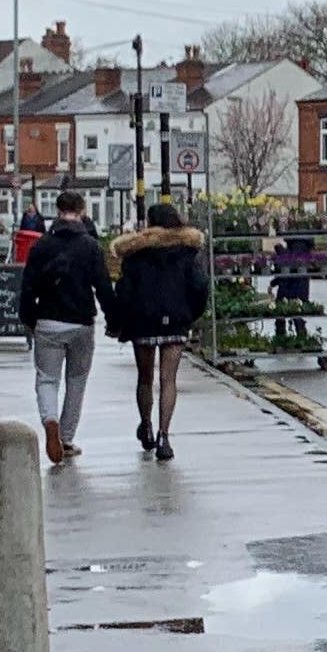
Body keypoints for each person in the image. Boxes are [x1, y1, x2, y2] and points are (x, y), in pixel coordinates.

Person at [108, 199, 213, 459]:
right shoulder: (188, 251)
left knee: (145, 378)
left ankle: (146, 426)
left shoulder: (135, 252)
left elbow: (124, 290)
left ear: (150, 223)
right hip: (176, 319)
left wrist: (121, 320)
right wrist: (191, 315)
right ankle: (165, 436)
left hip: (142, 319)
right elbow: (200, 287)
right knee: (169, 380)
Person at [18, 191, 114, 464]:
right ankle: (66, 438)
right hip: (81, 321)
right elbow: (104, 287)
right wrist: (115, 321)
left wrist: (29, 318)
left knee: (47, 379)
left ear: (57, 211)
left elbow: (27, 287)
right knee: (76, 381)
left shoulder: (41, 246)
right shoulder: (90, 246)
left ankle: (49, 420)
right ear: (82, 211)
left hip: (47, 320)